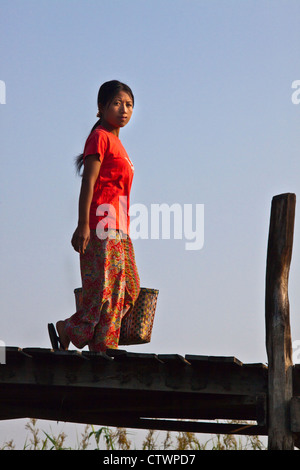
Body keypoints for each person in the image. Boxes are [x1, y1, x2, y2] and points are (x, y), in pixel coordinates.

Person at [53, 80, 140, 352]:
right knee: (104, 291)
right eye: (117, 103)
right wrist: (83, 225)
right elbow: (88, 183)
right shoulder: (100, 137)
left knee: (129, 290)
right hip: (101, 223)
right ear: (100, 108)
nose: (123, 110)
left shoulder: (118, 144)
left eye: (128, 105)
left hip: (120, 228)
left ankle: (78, 331)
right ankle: (99, 343)